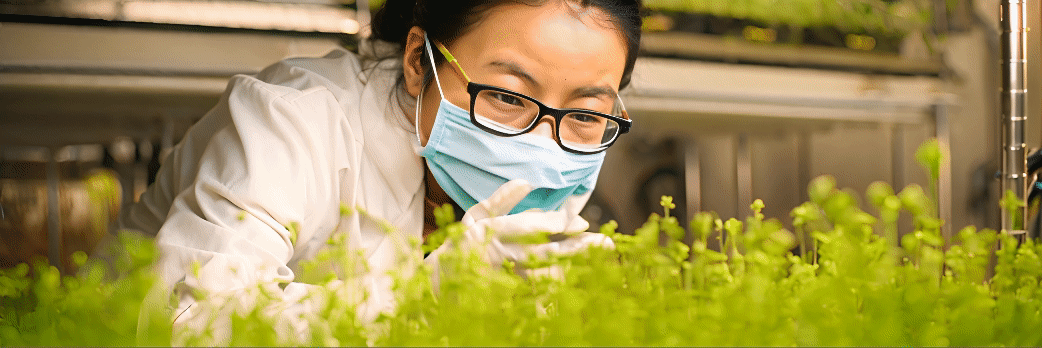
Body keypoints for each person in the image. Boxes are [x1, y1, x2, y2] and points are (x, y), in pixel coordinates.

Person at [121, 0, 642, 338]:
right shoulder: (292, 120)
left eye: (585, 113)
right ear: (418, 61)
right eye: (507, 97)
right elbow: (187, 324)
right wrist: (423, 296)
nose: (541, 147)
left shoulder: (562, 161)